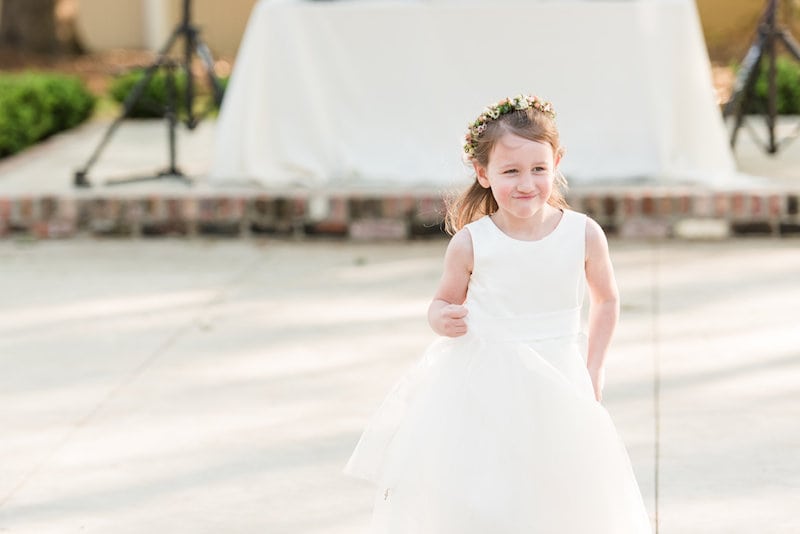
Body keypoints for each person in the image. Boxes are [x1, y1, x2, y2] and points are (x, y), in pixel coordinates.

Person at [343, 94, 653, 533]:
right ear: (483, 173)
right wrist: (441, 319)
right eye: (510, 172)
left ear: (556, 162)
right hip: (486, 380)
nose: (526, 183)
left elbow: (606, 300)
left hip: (559, 372)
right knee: (490, 481)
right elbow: (442, 303)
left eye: (538, 169)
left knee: (560, 482)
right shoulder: (472, 242)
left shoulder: (583, 234)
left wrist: (595, 366)